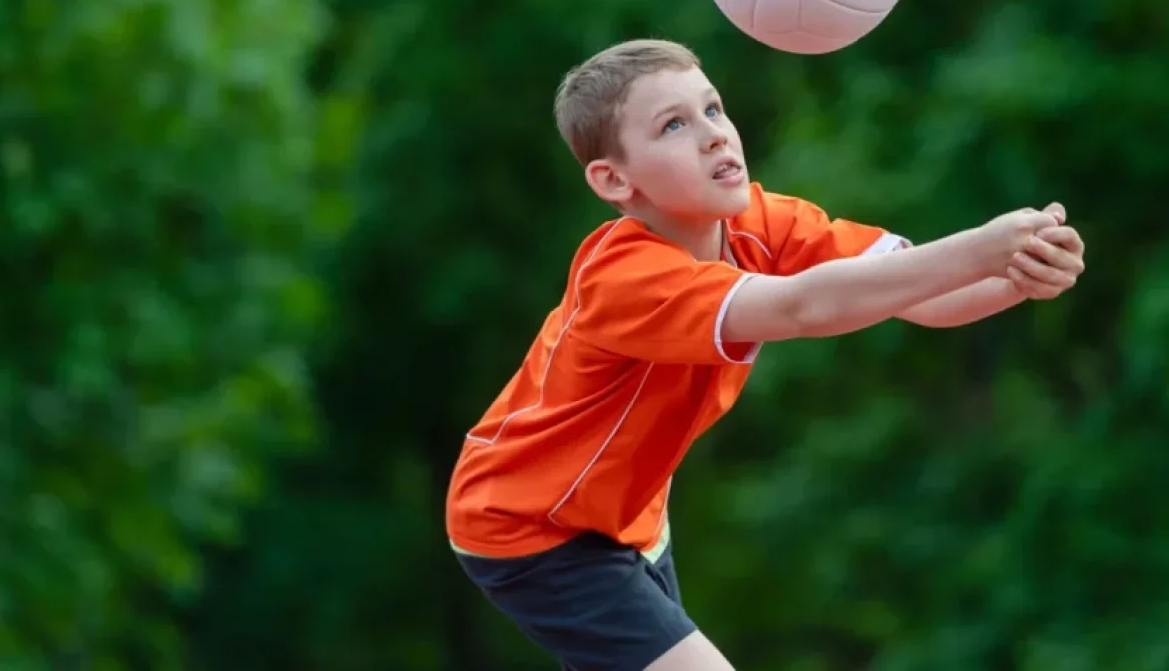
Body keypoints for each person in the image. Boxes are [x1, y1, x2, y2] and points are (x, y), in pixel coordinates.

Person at [444, 39, 1086, 671]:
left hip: (631, 518)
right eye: (673, 125)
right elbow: (803, 307)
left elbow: (918, 295)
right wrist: (982, 248)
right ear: (615, 180)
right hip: (530, 526)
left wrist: (1019, 274)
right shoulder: (622, 277)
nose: (713, 135)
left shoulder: (760, 221)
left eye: (713, 109)